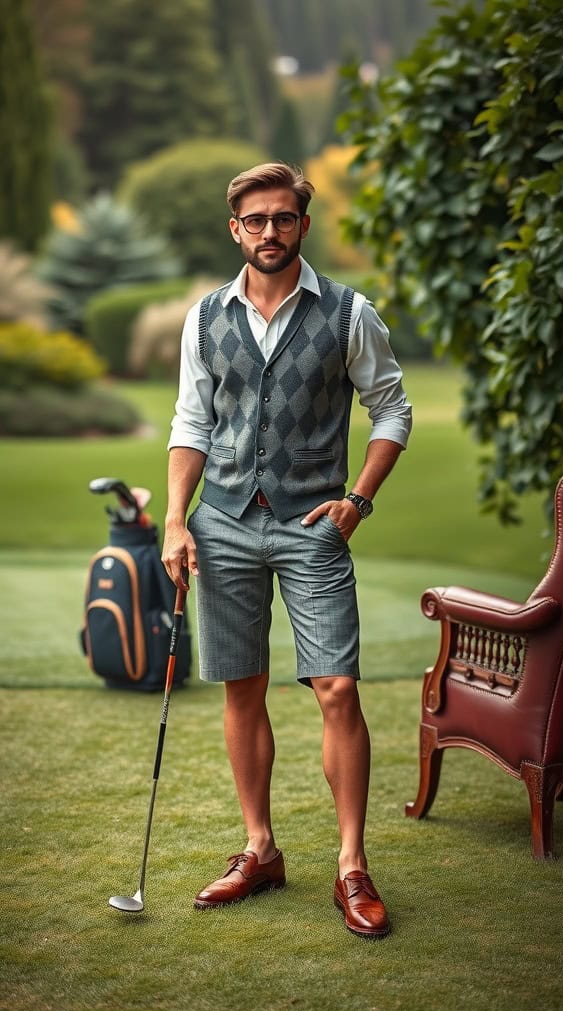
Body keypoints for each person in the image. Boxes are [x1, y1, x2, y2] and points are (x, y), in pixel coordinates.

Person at [162, 162, 412, 940]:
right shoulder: (205, 317)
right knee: (243, 688)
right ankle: (260, 850)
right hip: (224, 522)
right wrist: (176, 520)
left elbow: (392, 407)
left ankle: (351, 865)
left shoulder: (348, 313)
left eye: (283, 218)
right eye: (254, 221)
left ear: (303, 224)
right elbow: (190, 424)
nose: (269, 231)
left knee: (336, 688)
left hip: (314, 525)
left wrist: (359, 499)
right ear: (235, 229)